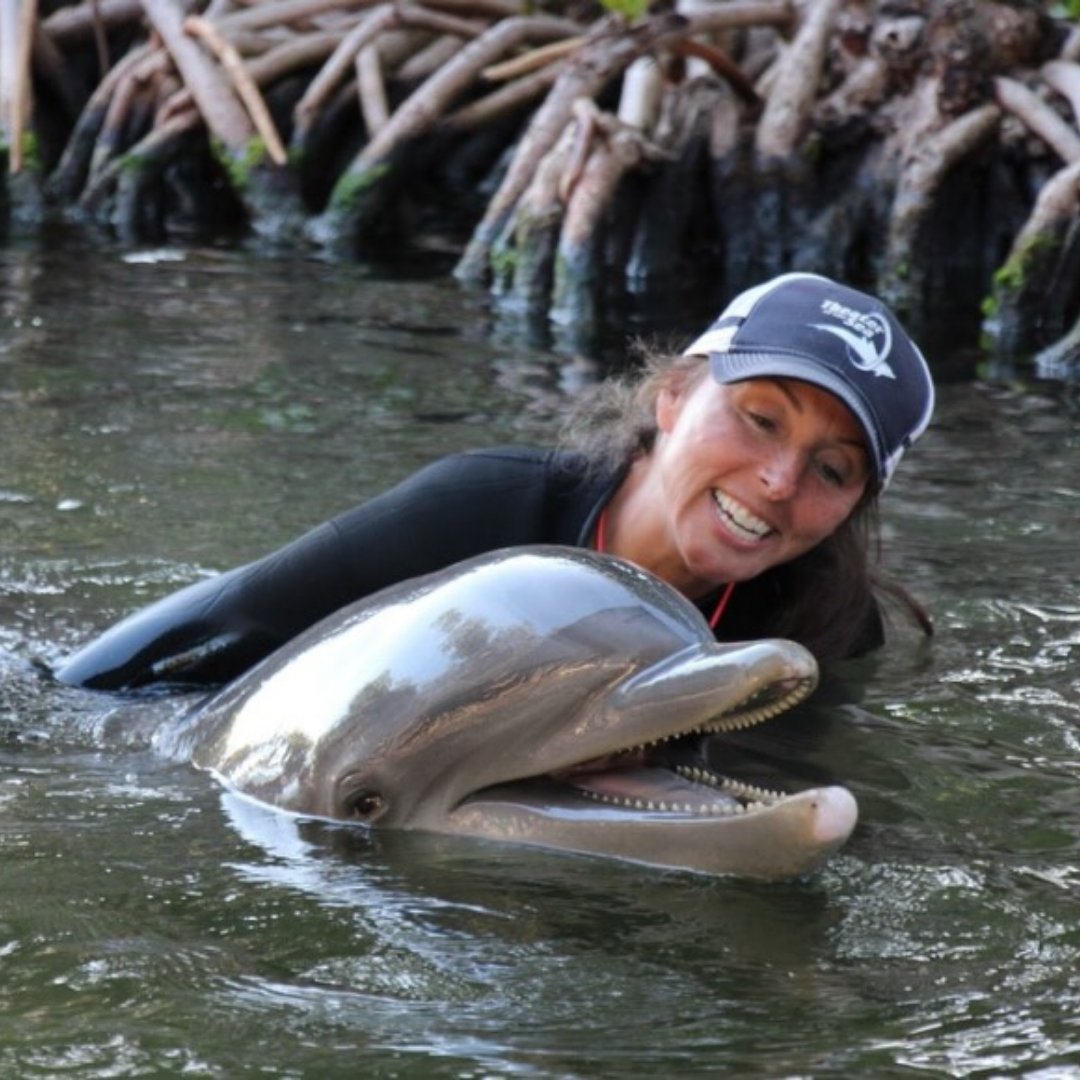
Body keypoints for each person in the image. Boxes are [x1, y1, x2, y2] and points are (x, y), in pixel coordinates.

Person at [55, 272, 935, 692]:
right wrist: (57, 715)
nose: (779, 480)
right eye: (760, 418)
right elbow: (217, 621)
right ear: (673, 395)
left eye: (833, 469)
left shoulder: (824, 626)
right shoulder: (475, 511)